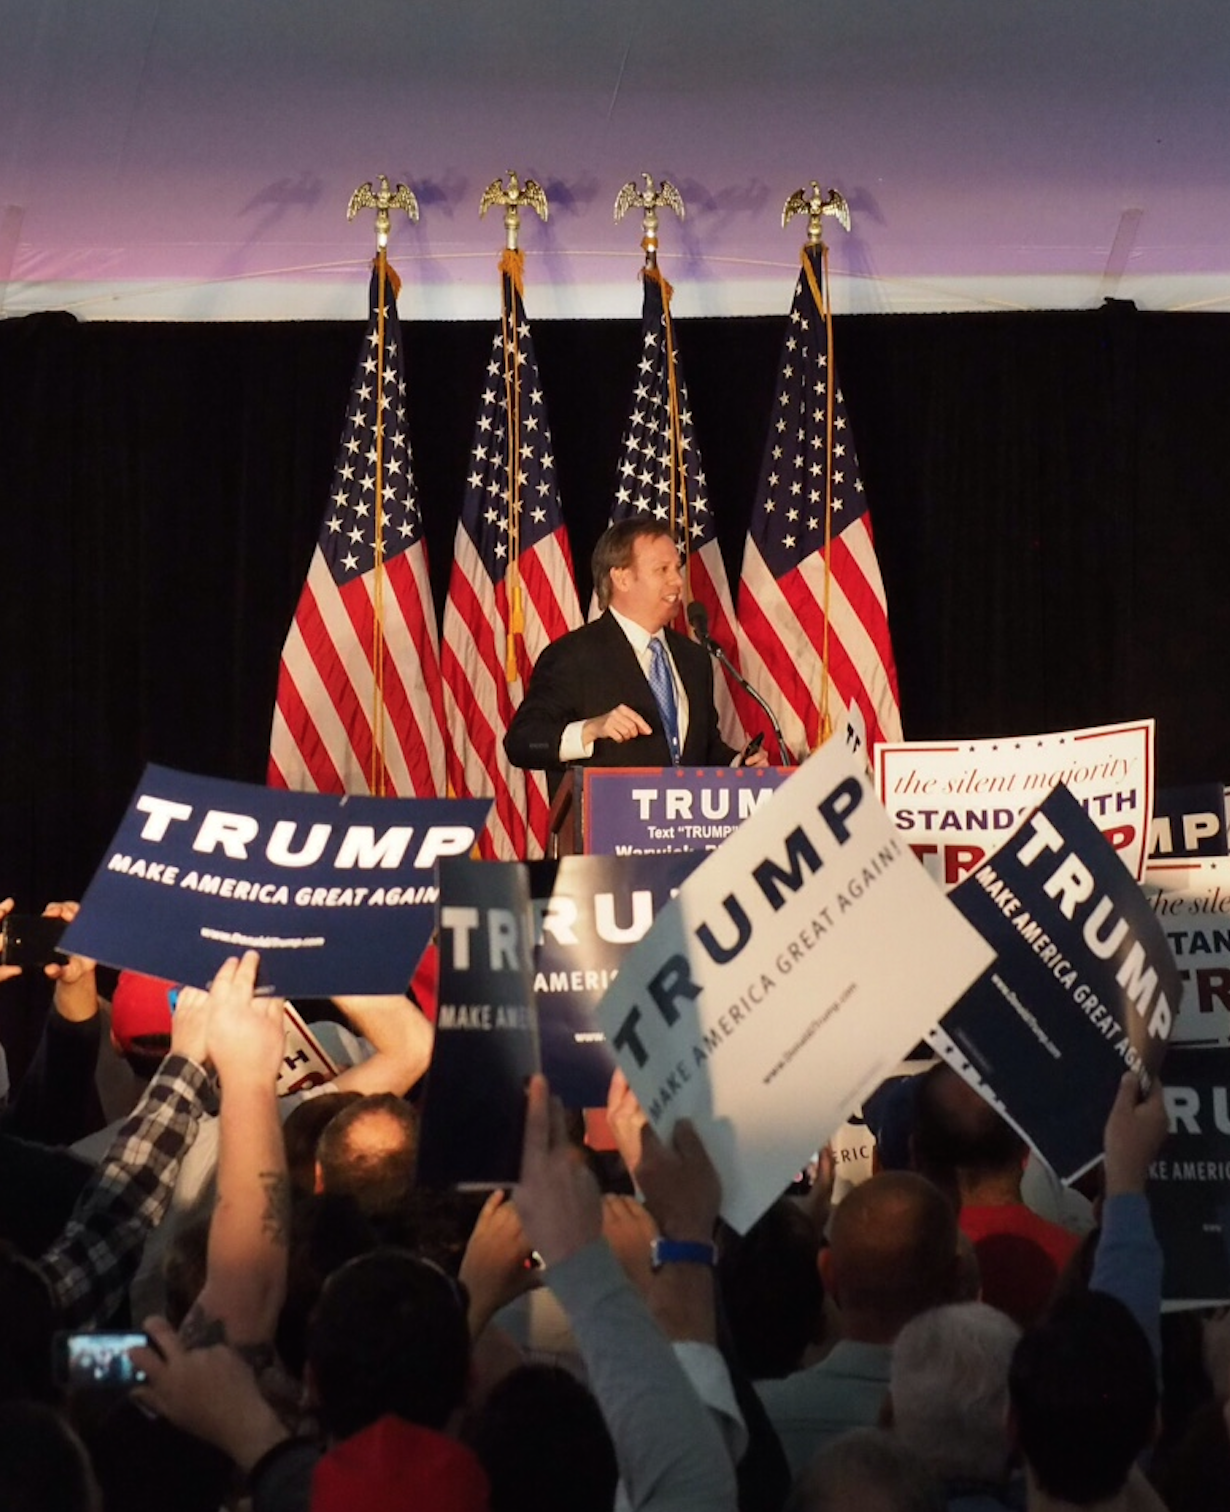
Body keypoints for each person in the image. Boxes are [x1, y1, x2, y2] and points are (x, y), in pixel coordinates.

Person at [504, 519, 766, 791]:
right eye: (662, 570)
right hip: (606, 817)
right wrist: (590, 729)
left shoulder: (694, 659)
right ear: (622, 578)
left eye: (677, 568)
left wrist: (738, 765)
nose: (678, 580)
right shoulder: (573, 656)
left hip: (685, 816)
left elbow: (700, 750)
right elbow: (522, 742)